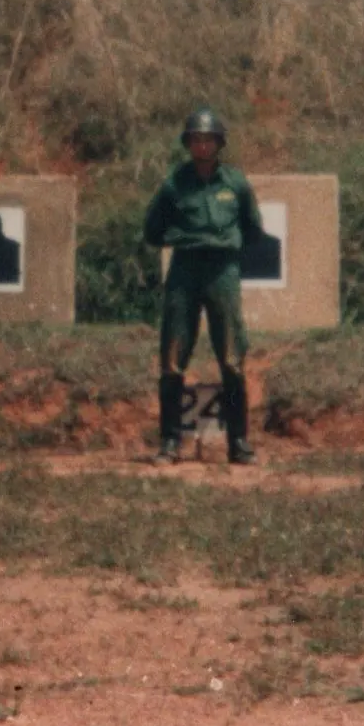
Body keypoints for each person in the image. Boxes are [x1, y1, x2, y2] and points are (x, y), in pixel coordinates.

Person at [143, 108, 263, 465]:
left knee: (231, 357)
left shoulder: (236, 184)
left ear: (219, 143)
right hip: (184, 270)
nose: (202, 144)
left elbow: (253, 229)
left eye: (208, 139)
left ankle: (238, 443)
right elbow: (152, 230)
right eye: (195, 138)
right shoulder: (173, 184)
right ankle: (168, 443)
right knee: (173, 358)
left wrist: (227, 246)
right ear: (187, 143)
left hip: (223, 272)